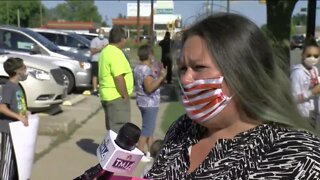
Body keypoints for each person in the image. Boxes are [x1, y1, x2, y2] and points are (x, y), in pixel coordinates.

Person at [144, 13, 320, 179]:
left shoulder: (297, 155)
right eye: (183, 69)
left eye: (198, 67)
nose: (185, 78)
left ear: (243, 73)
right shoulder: (182, 128)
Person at [98, 27, 133, 133]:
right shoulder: (115, 53)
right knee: (119, 131)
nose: (126, 41)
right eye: (125, 38)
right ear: (122, 39)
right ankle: (117, 150)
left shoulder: (106, 51)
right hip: (116, 97)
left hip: (108, 96)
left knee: (112, 130)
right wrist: (125, 95)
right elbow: (118, 77)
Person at [133, 44, 166, 155]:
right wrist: (161, 77)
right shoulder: (146, 70)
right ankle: (139, 152)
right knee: (147, 130)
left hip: (142, 102)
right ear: (149, 54)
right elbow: (149, 88)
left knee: (150, 129)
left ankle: (152, 152)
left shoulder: (138, 68)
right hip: (149, 103)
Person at [0, 57, 29, 180]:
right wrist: (18, 116)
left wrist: (25, 112)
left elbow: (16, 104)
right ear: (18, 71)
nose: (26, 70)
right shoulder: (9, 86)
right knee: (7, 159)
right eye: (24, 68)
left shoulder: (17, 86)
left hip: (18, 130)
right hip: (9, 129)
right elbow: (2, 107)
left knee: (16, 160)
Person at [291, 38, 320, 128]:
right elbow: (294, 98)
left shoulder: (314, 70)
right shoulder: (298, 73)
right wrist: (312, 92)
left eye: (316, 56)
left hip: (314, 111)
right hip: (303, 114)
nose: (312, 58)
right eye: (309, 55)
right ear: (302, 55)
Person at [90, 28, 109, 95]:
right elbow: (92, 51)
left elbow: (108, 49)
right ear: (98, 34)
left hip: (104, 60)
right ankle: (95, 89)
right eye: (100, 33)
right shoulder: (94, 40)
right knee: (95, 75)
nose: (101, 35)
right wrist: (100, 49)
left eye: (102, 33)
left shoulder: (106, 40)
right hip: (95, 59)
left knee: (103, 75)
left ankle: (102, 89)